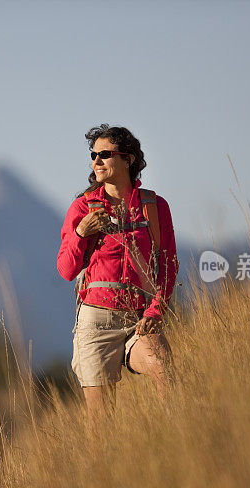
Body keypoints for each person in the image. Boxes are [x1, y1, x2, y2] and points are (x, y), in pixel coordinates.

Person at [57, 124, 179, 417]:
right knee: (102, 425)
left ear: (128, 159)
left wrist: (155, 310)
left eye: (104, 154)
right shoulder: (82, 207)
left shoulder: (154, 206)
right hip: (95, 321)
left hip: (139, 318)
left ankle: (174, 444)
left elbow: (167, 265)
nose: (96, 161)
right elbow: (65, 269)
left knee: (165, 368)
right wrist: (81, 233)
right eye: (93, 154)